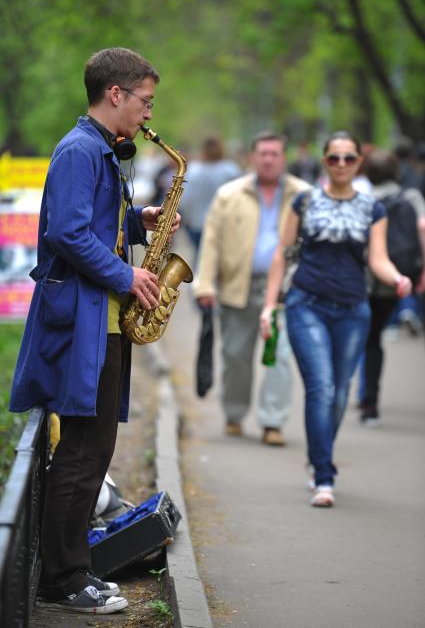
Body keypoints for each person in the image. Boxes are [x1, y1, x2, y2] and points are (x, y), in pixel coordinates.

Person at [9, 47, 180, 614]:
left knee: (94, 448)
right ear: (116, 95)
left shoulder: (99, 151)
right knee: (83, 451)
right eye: (144, 102)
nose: (147, 116)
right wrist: (128, 274)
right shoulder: (80, 150)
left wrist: (139, 222)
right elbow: (66, 235)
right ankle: (61, 581)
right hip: (84, 323)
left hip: (99, 322)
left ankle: (74, 567)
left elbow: (93, 225)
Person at [260, 131, 412, 507]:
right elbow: (283, 253)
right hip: (305, 304)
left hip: (353, 310)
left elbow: (377, 258)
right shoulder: (305, 202)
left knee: (341, 394)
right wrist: (269, 305)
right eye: (334, 158)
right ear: (324, 162)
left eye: (349, 158)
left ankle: (318, 458)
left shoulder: (373, 208)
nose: (341, 164)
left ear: (359, 162)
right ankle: (324, 475)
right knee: (322, 387)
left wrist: (396, 277)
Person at [194, 131, 310, 446]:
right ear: (252, 157)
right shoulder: (229, 194)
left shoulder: (305, 195)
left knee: (279, 357)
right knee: (235, 356)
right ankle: (234, 413)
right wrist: (204, 284)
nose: (268, 159)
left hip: (286, 290)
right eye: (263, 153)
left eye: (275, 153)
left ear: (284, 158)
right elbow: (211, 242)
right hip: (237, 286)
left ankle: (272, 421)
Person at [358, 149, 425, 425]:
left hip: (368, 281)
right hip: (401, 276)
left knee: (369, 339)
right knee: (376, 338)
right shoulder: (410, 198)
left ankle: (368, 402)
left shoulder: (362, 200)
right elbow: (422, 228)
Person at [180, 135, 241, 256]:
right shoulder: (231, 170)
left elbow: (185, 199)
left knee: (201, 258)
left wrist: (187, 218)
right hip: (225, 224)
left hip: (197, 224)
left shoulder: (194, 170)